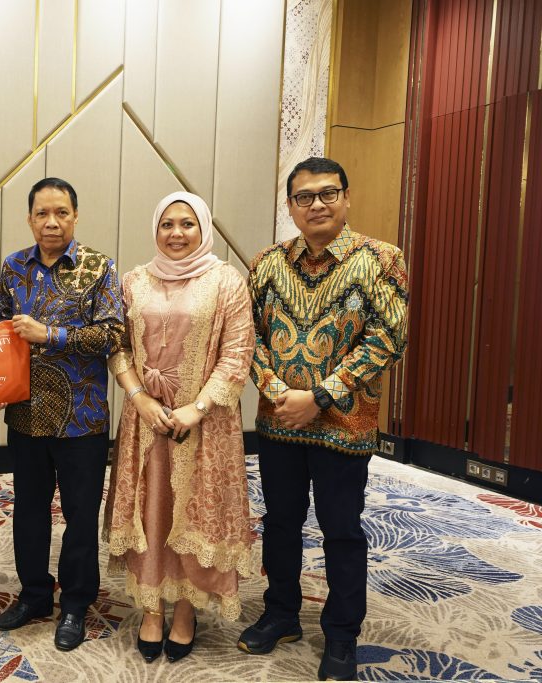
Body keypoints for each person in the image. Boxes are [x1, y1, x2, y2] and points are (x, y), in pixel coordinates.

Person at [239, 157, 408, 681]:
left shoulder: (380, 259)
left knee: (341, 528)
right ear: (291, 206)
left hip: (345, 425)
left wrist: (320, 395)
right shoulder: (267, 263)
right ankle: (281, 613)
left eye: (327, 193)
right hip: (279, 423)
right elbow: (247, 336)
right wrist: (275, 390)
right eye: (304, 196)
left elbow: (390, 337)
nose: (317, 204)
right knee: (280, 522)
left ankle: (341, 633)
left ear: (346, 197)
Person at [104, 192, 256, 664]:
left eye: (187, 223)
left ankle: (187, 607)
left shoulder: (227, 281)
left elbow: (238, 352)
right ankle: (152, 608)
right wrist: (139, 398)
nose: (176, 233)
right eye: (166, 224)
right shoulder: (133, 281)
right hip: (146, 420)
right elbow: (117, 346)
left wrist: (198, 408)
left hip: (205, 424)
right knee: (151, 509)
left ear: (203, 228)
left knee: (193, 512)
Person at [0, 178, 124, 652]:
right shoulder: (13, 267)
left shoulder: (99, 267)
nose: (52, 222)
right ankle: (34, 595)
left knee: (80, 516)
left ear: (75, 216)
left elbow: (113, 335)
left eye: (61, 213)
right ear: (30, 219)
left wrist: (51, 334)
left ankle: (75, 603)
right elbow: (1, 334)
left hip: (82, 418)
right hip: (26, 414)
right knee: (28, 511)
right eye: (42, 213)